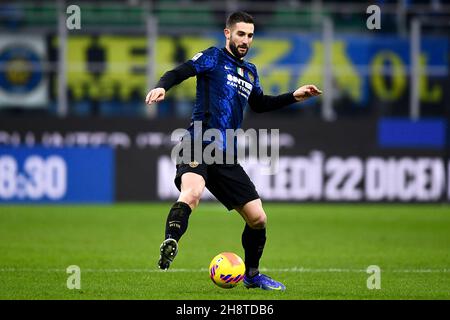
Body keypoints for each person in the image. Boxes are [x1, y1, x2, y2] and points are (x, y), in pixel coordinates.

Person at [145, 11, 321, 291]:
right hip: (198, 142)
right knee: (191, 192)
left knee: (258, 218)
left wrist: (293, 96)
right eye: (241, 34)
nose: (246, 40)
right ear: (228, 33)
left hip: (225, 155)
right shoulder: (213, 57)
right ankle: (171, 242)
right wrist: (161, 87)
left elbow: (260, 104)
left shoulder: (250, 71)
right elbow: (180, 71)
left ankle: (252, 275)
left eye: (250, 35)